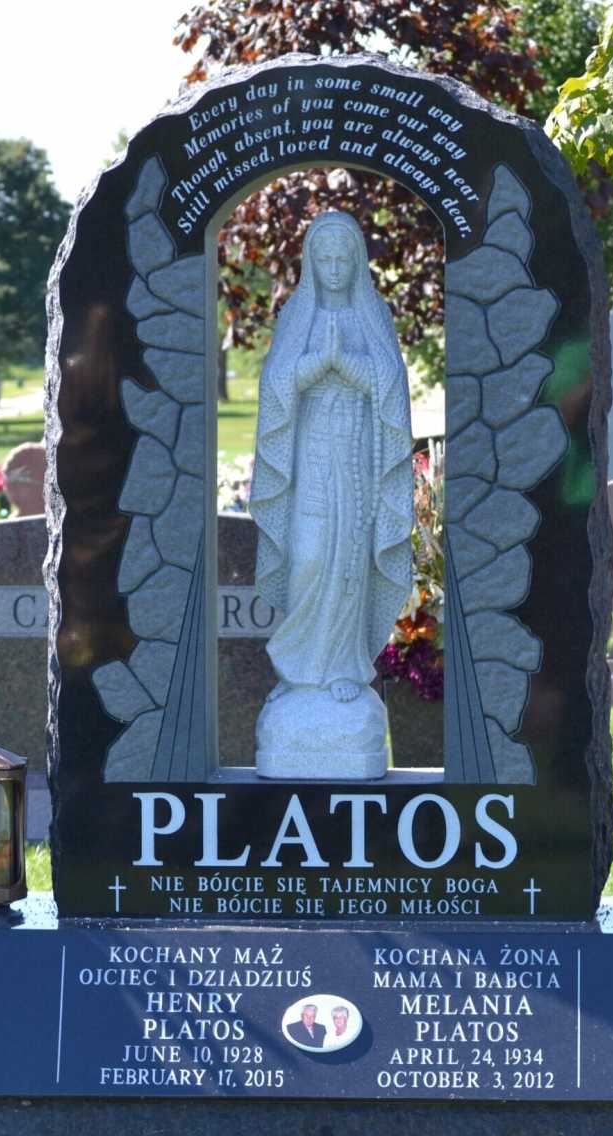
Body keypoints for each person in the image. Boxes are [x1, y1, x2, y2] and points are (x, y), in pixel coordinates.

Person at [248, 211, 414, 779]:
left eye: (345, 258)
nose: (336, 267)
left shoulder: (372, 315)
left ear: (357, 262)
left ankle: (343, 667)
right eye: (326, 259)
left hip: (356, 463)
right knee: (310, 556)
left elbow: (393, 385)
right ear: (312, 264)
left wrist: (353, 366)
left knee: (347, 565)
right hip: (310, 462)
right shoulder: (299, 315)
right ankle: (298, 672)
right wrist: (317, 366)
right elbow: (274, 386)